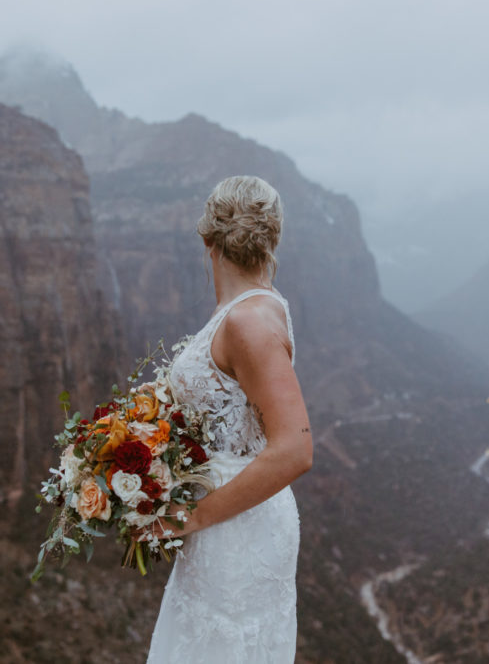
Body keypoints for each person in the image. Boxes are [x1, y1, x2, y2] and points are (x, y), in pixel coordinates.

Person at [145, 176, 313, 663]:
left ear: (206, 239)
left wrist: (191, 516)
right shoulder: (251, 309)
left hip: (236, 530)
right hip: (226, 520)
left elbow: (294, 449)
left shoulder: (247, 322)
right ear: (272, 238)